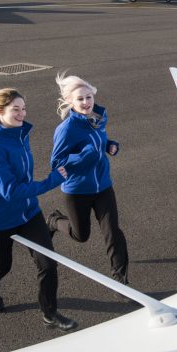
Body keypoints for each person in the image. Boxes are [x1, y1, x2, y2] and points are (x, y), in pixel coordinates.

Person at [0, 88, 75, 331]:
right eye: (15, 109)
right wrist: (52, 181)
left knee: (48, 263)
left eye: (23, 108)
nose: (22, 114)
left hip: (29, 213)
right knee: (2, 266)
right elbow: (10, 190)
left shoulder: (20, 134)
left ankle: (50, 313)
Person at [47, 74, 131, 286]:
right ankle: (54, 220)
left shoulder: (99, 118)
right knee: (80, 235)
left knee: (113, 231)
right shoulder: (66, 130)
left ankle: (120, 279)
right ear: (70, 102)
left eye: (88, 97)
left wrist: (110, 145)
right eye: (80, 99)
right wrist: (83, 155)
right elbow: (57, 162)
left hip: (103, 185)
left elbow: (100, 142)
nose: (86, 102)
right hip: (77, 190)